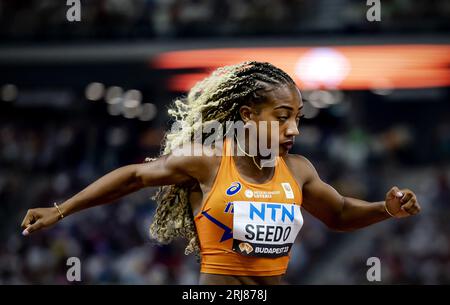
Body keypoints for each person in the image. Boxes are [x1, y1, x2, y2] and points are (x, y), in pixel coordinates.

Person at [20, 61, 421, 285]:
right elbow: (133, 177)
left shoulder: (298, 170)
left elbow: (339, 213)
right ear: (247, 115)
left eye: (297, 118)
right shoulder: (208, 162)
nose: (294, 129)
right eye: (282, 118)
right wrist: (61, 209)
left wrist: (385, 209)